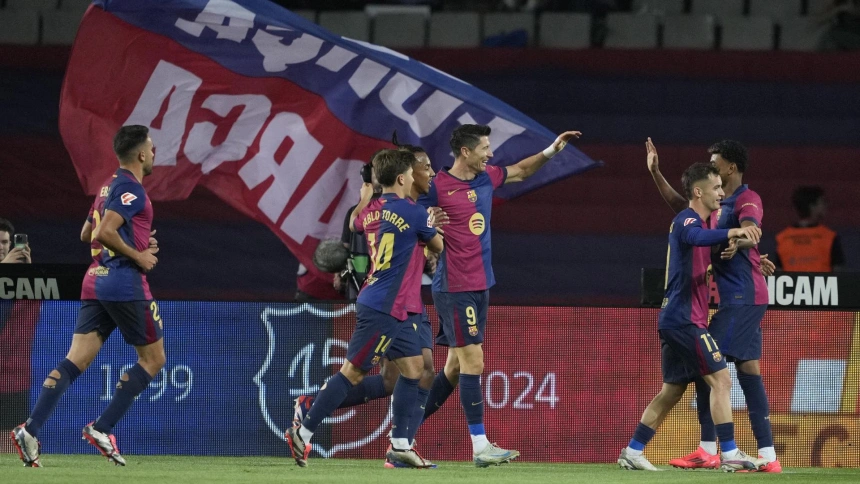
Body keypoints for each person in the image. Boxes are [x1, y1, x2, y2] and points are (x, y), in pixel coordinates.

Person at [415, 124, 580, 467]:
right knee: (475, 361)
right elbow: (410, 214)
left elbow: (520, 170)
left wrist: (553, 149)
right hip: (454, 286)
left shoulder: (486, 177)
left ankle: (402, 435)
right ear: (465, 151)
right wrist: (428, 223)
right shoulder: (436, 187)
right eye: (485, 148)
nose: (490, 154)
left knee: (456, 368)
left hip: (480, 283)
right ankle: (480, 447)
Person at [10, 125, 163, 467]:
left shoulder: (107, 186)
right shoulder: (132, 189)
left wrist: (134, 241)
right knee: (154, 360)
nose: (154, 153)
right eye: (151, 148)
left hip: (95, 280)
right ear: (140, 154)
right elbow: (104, 231)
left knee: (75, 359)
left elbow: (86, 233)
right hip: (124, 282)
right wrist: (137, 255)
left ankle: (31, 429)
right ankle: (102, 427)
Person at [291, 140, 446, 468]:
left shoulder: (372, 211)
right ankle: (305, 429)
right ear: (403, 178)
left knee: (415, 369)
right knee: (354, 372)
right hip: (384, 306)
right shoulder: (415, 212)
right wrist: (431, 224)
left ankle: (401, 444)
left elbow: (355, 224)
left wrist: (363, 201)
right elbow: (438, 245)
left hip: (393, 305)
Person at [646, 138, 781, 472]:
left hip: (743, 298)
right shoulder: (714, 204)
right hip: (740, 297)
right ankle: (769, 456)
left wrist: (741, 239)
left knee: (708, 365)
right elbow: (684, 208)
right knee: (749, 373)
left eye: (715, 163)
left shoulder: (746, 198)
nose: (710, 168)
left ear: (730, 167)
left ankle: (708, 449)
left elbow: (752, 228)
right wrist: (656, 173)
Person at [619, 162, 762, 472]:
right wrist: (736, 229)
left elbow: (707, 242)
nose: (722, 193)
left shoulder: (704, 224)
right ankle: (730, 452)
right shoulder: (687, 222)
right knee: (721, 380)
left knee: (671, 391)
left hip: (676, 319)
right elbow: (696, 238)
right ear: (699, 192)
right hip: (685, 319)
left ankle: (633, 450)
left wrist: (752, 258)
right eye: (716, 188)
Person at [774, 186, 845, 272]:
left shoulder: (782, 238)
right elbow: (839, 273)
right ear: (812, 206)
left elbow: (777, 273)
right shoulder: (829, 237)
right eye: (823, 202)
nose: (826, 206)